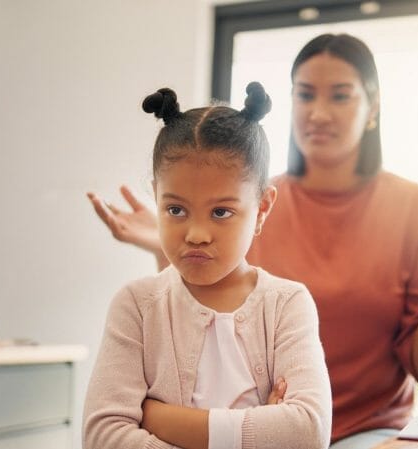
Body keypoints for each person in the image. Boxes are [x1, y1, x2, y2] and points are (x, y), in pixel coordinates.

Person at [87, 34, 418, 449]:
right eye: (305, 95)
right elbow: (191, 331)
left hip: (364, 436)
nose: (319, 113)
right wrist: (164, 245)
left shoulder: (413, 208)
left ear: (373, 107)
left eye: (339, 96)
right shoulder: (235, 201)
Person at [83, 82, 332, 449]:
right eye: (176, 210)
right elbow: (103, 435)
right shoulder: (135, 305)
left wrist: (159, 419)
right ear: (156, 198)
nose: (197, 234)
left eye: (221, 212)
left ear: (262, 208)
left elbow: (307, 431)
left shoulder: (287, 304)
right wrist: (257, 432)